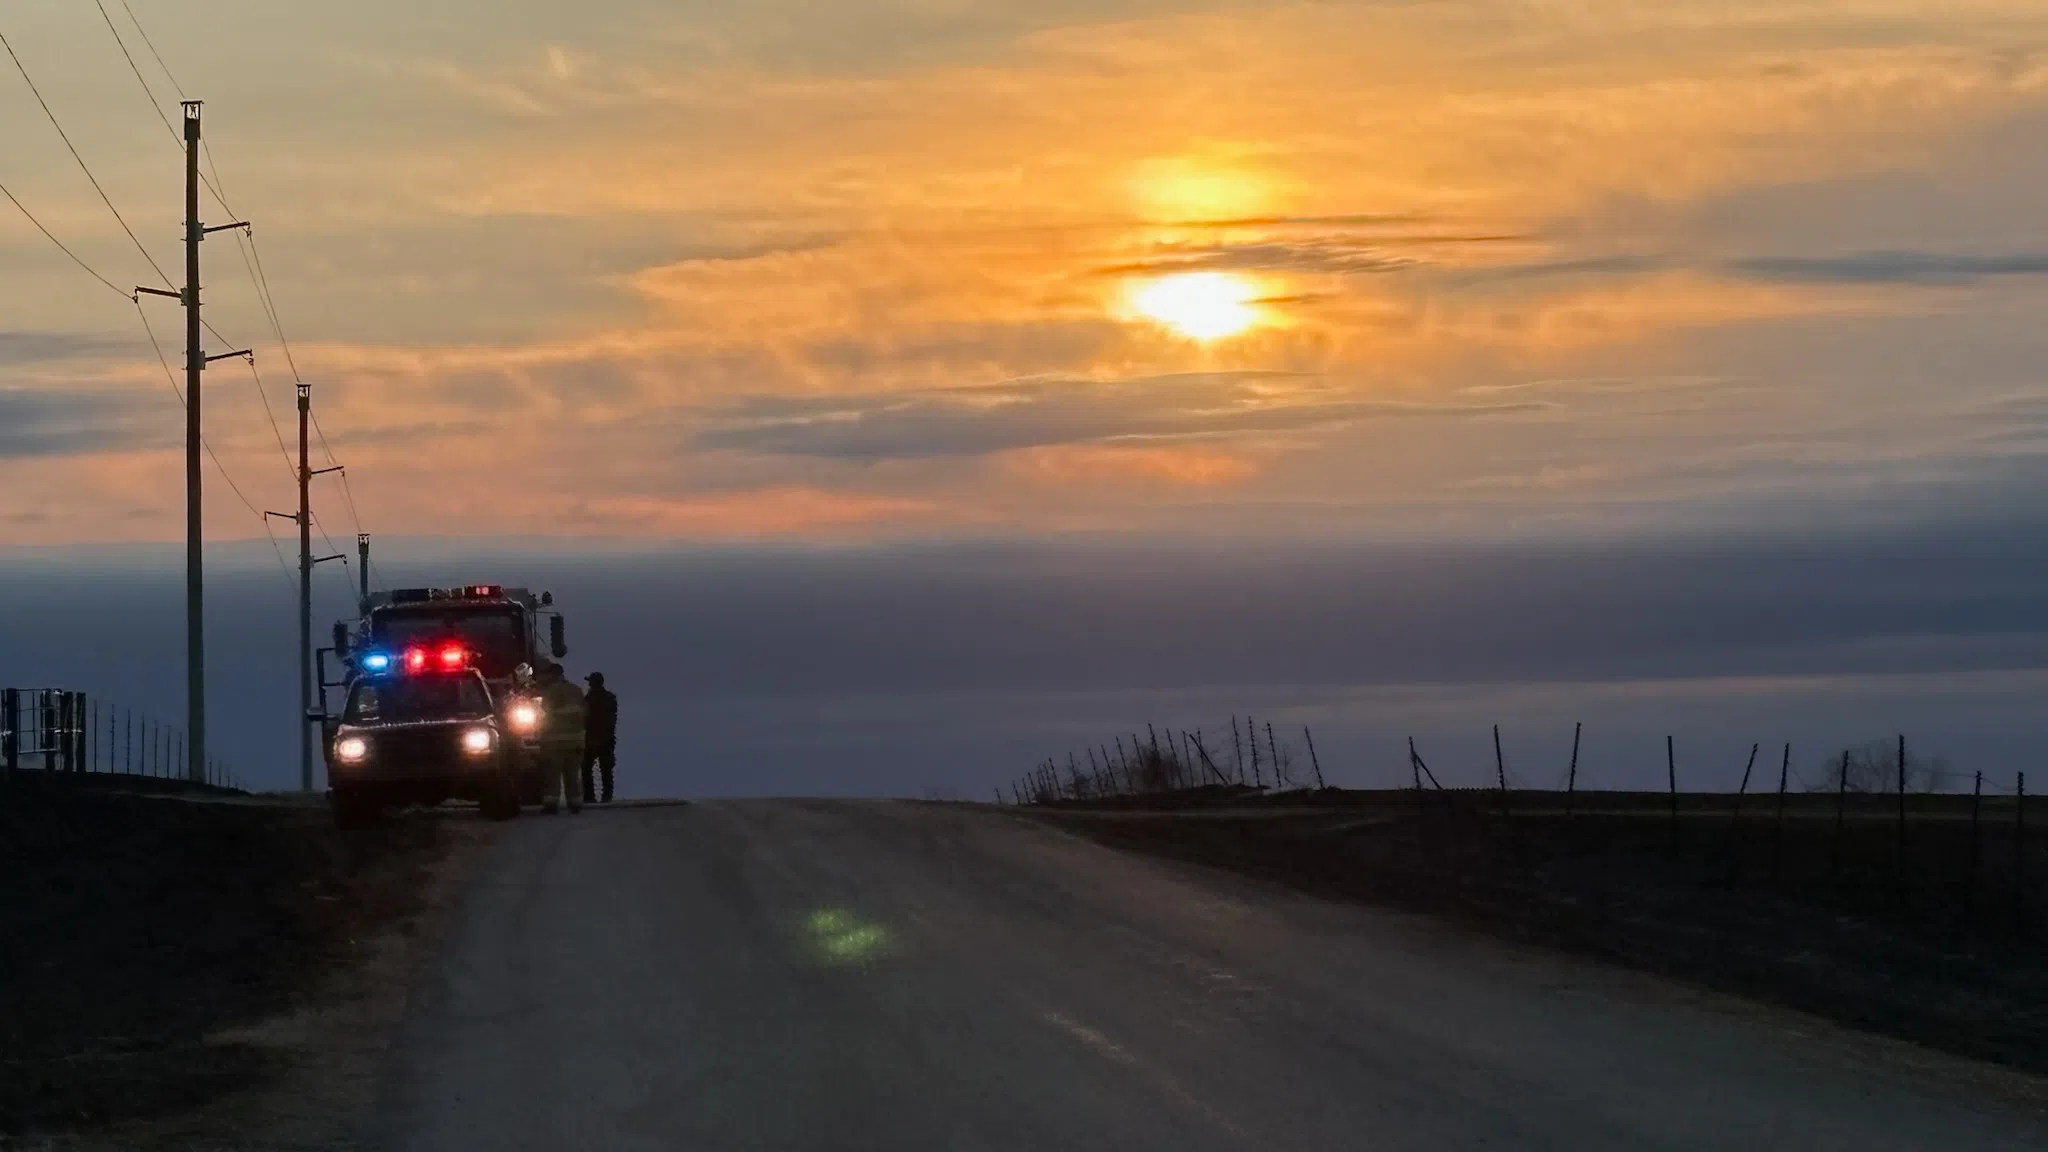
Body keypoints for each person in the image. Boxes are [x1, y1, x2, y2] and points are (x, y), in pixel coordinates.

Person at [534, 661, 585, 814]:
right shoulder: (576, 690)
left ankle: (551, 804)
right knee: (573, 774)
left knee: (553, 775)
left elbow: (543, 712)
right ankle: (575, 804)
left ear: (552, 675)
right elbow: (584, 713)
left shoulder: (550, 692)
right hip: (576, 741)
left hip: (554, 742)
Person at [581, 671, 618, 804]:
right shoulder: (610, 698)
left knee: (586, 768)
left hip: (591, 738)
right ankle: (607, 796)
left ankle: (589, 796)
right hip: (607, 738)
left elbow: (585, 718)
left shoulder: (588, 699)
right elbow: (612, 718)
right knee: (606, 769)